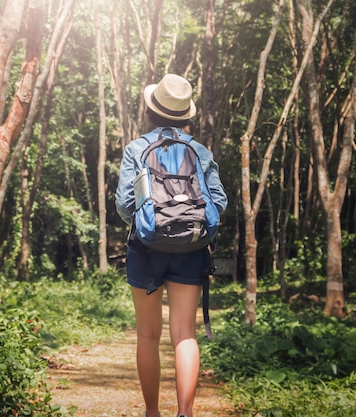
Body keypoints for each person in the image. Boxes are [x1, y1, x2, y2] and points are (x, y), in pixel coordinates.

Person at [115, 73, 227, 417]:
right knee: (185, 334)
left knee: (148, 335)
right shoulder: (199, 150)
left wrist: (150, 222)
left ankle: (152, 412)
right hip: (192, 248)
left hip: (146, 249)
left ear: (152, 110)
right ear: (186, 115)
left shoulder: (137, 148)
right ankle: (186, 413)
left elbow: (123, 203)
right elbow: (218, 202)